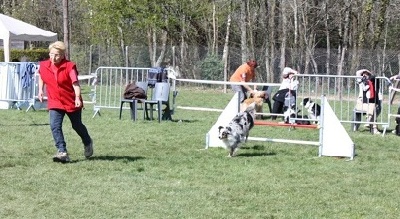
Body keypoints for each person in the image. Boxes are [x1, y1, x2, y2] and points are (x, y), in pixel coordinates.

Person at [38, 41, 93, 162]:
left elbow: (75, 83)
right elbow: (41, 76)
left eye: (57, 55)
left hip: (70, 100)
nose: (54, 57)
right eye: (52, 54)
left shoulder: (69, 66)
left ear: (63, 55)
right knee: (54, 125)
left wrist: (77, 97)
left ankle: (87, 141)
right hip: (55, 100)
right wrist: (40, 90)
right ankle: (62, 151)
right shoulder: (43, 65)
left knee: (77, 125)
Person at [355, 69, 380, 134]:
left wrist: (369, 73)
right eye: (363, 74)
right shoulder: (360, 82)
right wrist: (365, 70)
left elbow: (373, 77)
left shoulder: (371, 83)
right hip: (361, 103)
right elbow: (358, 72)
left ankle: (369, 121)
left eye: (366, 74)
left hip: (369, 104)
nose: (364, 75)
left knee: (372, 107)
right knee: (372, 108)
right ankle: (374, 128)